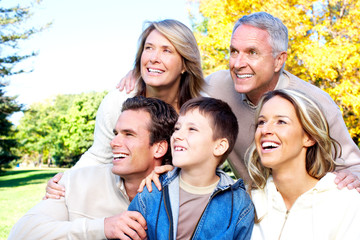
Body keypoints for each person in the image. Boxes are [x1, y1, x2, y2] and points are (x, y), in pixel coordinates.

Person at [118, 12, 360, 190]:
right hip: (253, 208)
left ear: (279, 60)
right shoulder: (217, 86)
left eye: (252, 53)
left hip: (308, 209)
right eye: (234, 51)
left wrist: (354, 177)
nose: (238, 63)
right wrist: (144, 74)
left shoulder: (316, 102)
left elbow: (353, 165)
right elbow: (178, 89)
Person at [44, 18, 205, 199]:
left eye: (166, 50)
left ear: (185, 63)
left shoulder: (200, 109)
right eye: (149, 48)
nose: (153, 58)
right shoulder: (119, 101)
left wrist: (176, 174)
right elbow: (99, 155)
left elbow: (209, 164)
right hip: (126, 198)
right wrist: (63, 182)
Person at [8, 96, 178, 240]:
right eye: (116, 134)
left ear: (159, 148)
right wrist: (102, 228)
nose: (114, 142)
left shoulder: (182, 192)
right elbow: (21, 233)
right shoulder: (73, 182)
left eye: (129, 134)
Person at [128, 97, 254, 239]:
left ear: (219, 147)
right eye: (177, 128)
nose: (177, 135)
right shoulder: (152, 191)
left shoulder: (238, 204)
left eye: (192, 129)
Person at [247, 89, 360, 239]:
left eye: (281, 122)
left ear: (309, 137)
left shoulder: (344, 201)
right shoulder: (247, 200)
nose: (265, 130)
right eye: (261, 122)